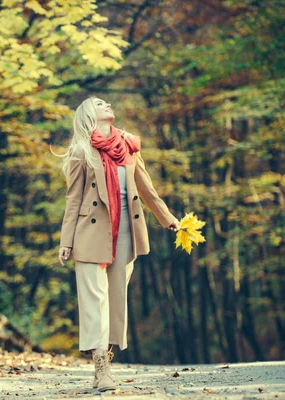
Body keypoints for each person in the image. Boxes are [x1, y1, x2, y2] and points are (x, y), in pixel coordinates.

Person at [55, 97, 181, 392]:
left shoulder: (128, 146)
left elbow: (146, 188)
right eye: (100, 103)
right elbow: (73, 198)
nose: (107, 104)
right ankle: (101, 366)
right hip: (90, 231)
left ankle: (107, 357)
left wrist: (167, 217)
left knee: (115, 298)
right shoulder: (81, 151)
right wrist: (66, 240)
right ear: (89, 115)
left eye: (107, 102)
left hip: (125, 230)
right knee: (93, 299)